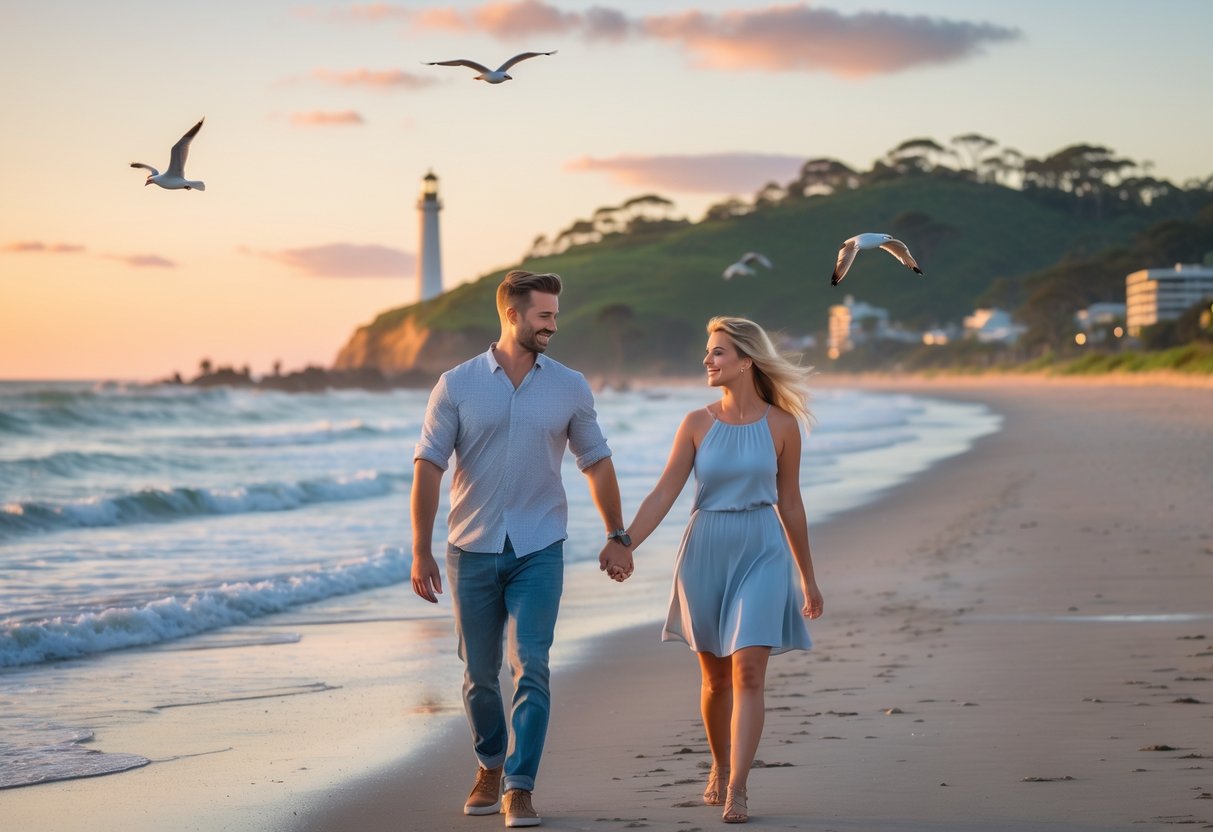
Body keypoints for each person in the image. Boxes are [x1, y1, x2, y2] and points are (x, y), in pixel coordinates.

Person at [411, 269, 634, 828]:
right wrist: (421, 549)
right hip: (472, 548)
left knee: (531, 664)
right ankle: (489, 762)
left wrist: (617, 532)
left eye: (555, 315)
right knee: (479, 674)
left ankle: (519, 785)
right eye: (544, 316)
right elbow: (429, 466)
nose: (553, 326)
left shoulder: (569, 386)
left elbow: (596, 461)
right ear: (512, 314)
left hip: (540, 546)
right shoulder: (456, 385)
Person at [604, 316, 824, 824]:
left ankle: (739, 788)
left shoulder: (782, 425)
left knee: (748, 671)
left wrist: (807, 576)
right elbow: (664, 492)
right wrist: (624, 541)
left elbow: (791, 504)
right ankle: (720, 765)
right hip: (705, 549)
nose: (708, 360)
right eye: (708, 351)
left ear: (746, 359)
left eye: (718, 352)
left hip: (763, 548)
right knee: (716, 680)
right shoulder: (696, 423)